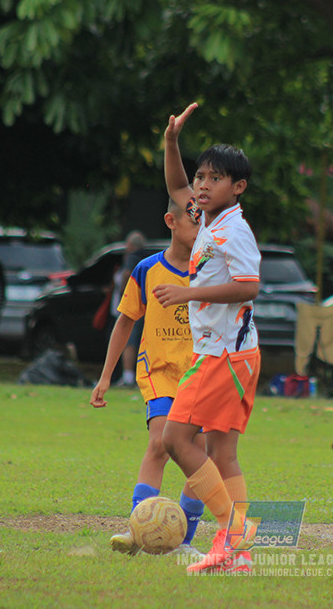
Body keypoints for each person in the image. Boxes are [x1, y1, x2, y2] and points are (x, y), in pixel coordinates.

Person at [157, 102, 262, 575]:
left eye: (213, 178)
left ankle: (231, 531)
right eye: (201, 176)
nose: (200, 185)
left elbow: (248, 286)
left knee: (176, 438)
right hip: (233, 354)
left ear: (237, 188)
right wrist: (172, 143)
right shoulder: (205, 217)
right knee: (222, 453)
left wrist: (187, 293)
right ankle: (236, 553)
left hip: (223, 355)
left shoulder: (233, 230)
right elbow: (175, 187)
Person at [90, 199, 204, 558]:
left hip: (200, 374)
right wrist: (106, 377)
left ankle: (183, 541)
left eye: (206, 221)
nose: (201, 228)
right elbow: (125, 321)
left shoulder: (211, 273)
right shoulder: (146, 269)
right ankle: (138, 528)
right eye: (193, 220)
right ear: (170, 220)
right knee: (160, 443)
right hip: (158, 371)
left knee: (198, 457)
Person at [111, 230, 147, 385]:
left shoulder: (132, 258)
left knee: (128, 340)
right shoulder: (146, 257)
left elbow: (126, 274)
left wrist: (124, 295)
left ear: (130, 245)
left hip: (132, 305)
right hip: (145, 303)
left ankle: (127, 376)